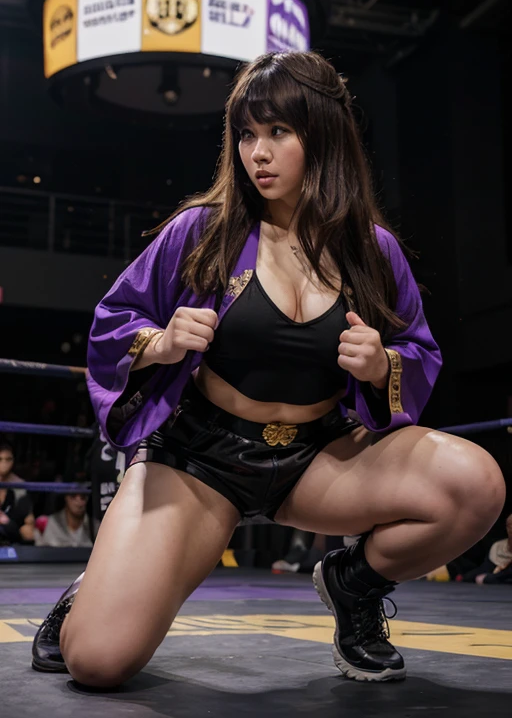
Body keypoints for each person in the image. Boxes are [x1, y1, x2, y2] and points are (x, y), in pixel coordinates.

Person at [32, 50, 505, 686]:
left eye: (278, 131)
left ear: (322, 135)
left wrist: (379, 363)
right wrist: (163, 343)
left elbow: (418, 353)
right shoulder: (201, 230)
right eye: (247, 134)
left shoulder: (372, 250)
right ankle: (93, 588)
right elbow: (113, 324)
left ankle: (353, 585)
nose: (258, 152)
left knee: (476, 483)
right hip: (200, 459)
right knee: (98, 659)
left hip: (318, 458)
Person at [0, 441, 34, 545]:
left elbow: (29, 520)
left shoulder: (20, 485)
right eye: (0, 459)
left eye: (8, 459)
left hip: (12, 528)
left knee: (28, 531)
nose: (4, 464)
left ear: (13, 461)